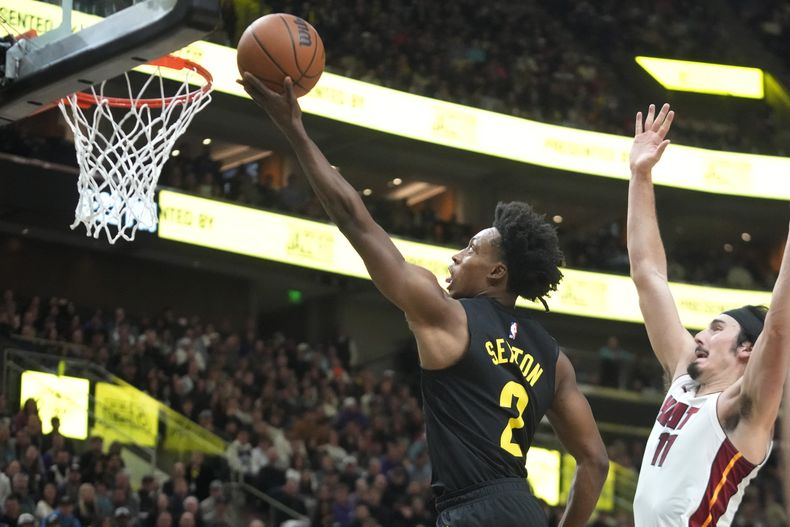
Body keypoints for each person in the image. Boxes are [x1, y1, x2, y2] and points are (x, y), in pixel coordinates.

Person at [239, 73, 609, 527]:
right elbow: (595, 462)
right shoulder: (555, 360)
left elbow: (355, 220)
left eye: (471, 249)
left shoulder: (447, 315)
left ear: (497, 273)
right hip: (523, 509)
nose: (456, 255)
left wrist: (294, 130)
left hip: (472, 511)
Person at [627, 104, 781, 525]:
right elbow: (648, 275)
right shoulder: (683, 379)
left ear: (746, 349)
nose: (699, 335)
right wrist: (640, 175)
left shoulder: (743, 408)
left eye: (716, 328)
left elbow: (778, 331)